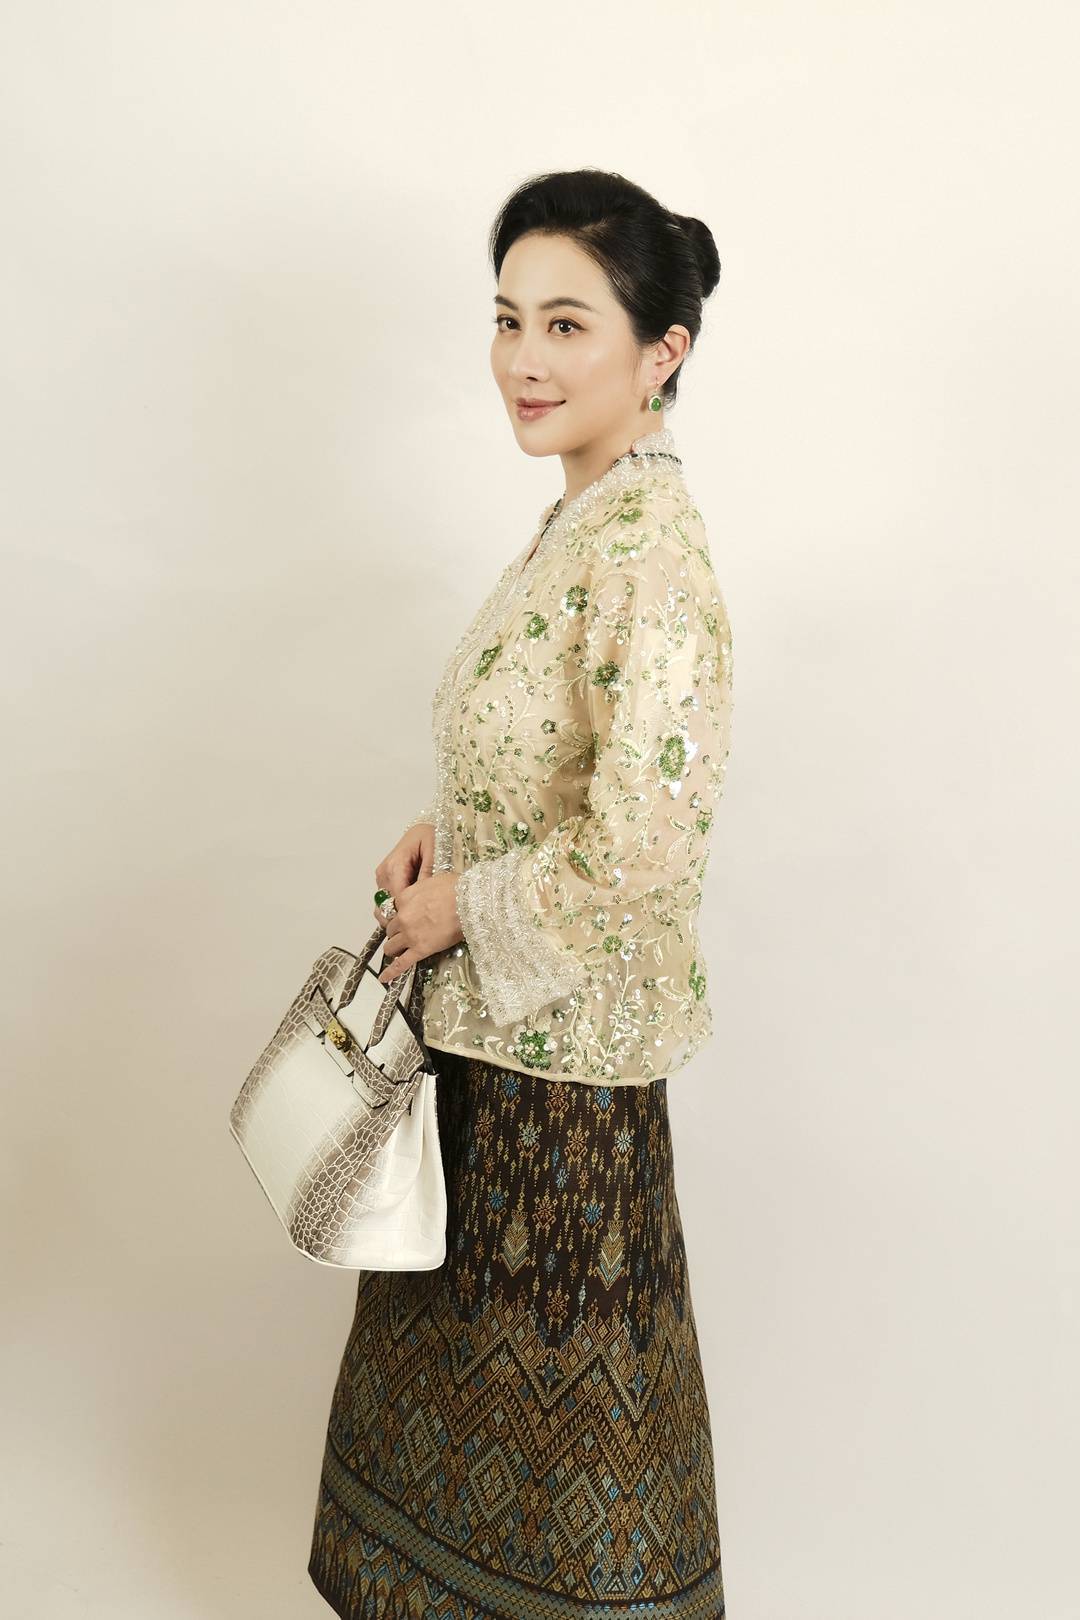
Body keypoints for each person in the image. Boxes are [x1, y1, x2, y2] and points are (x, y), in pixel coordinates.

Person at [307, 166, 734, 1619]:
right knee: (458, 1459)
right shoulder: (582, 524)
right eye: (507, 320)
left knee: (577, 1507)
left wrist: (463, 911)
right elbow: (560, 754)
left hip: (566, 1102)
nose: (525, 361)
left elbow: (648, 844)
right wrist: (452, 833)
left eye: (566, 324)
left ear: (660, 351)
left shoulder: (651, 551)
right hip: (487, 1060)